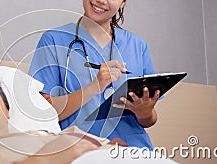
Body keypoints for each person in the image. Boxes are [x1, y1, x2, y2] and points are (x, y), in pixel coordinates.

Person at [28, 0, 159, 149]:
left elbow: (149, 120)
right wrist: (94, 87)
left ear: (123, 2)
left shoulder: (137, 46)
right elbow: (43, 113)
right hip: (79, 148)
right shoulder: (54, 40)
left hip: (132, 149)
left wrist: (144, 112)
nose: (102, 1)